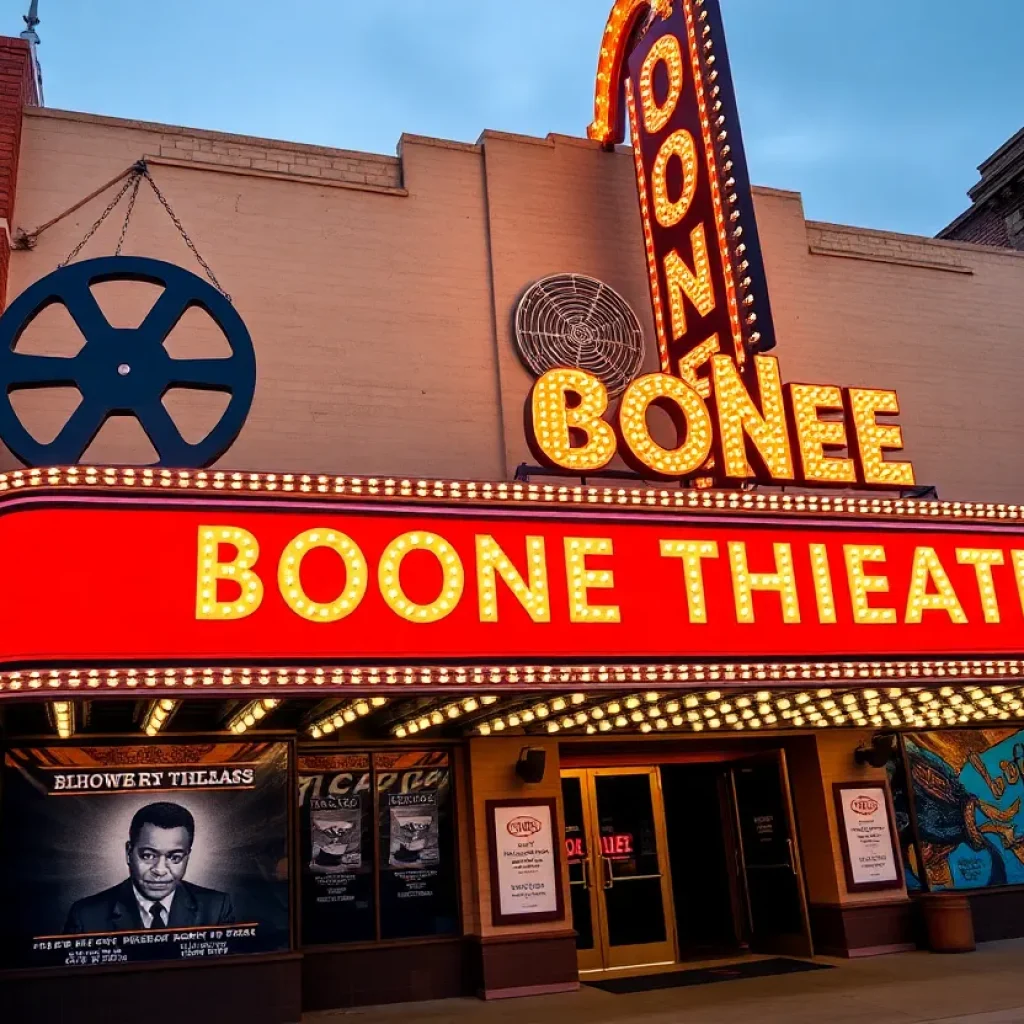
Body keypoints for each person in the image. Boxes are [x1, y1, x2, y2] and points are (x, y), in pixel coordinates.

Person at [64, 801, 235, 933]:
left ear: (187, 857)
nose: (160, 870)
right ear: (128, 853)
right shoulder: (86, 915)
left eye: (174, 857)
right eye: (148, 855)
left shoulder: (217, 908)